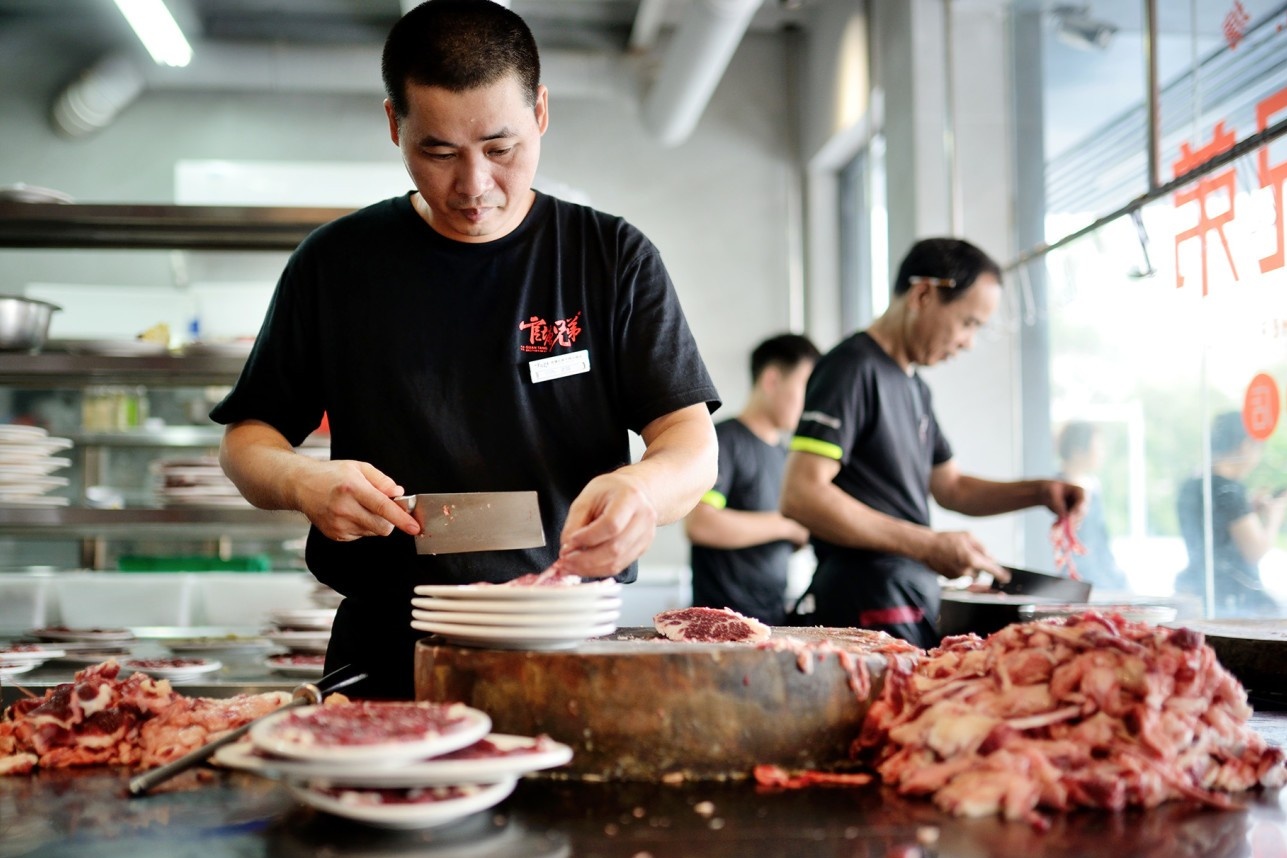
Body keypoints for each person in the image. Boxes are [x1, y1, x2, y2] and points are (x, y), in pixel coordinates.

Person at [210, 0, 720, 699]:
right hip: (389, 644)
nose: (474, 185)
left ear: (540, 112)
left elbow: (691, 443)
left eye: (500, 149)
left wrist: (642, 491)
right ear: (395, 125)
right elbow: (246, 442)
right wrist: (302, 482)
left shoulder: (609, 257)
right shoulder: (337, 264)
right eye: (439, 152)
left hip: (565, 635)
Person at [778, 237, 1084, 649]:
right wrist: (928, 544)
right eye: (968, 323)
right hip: (866, 598)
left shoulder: (915, 388)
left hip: (906, 594)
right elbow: (801, 494)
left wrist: (1041, 492)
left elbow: (952, 487)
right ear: (923, 294)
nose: (969, 342)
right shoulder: (851, 369)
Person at [684, 333, 821, 625]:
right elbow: (700, 524)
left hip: (773, 617)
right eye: (806, 387)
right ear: (772, 380)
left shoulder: (786, 456)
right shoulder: (723, 441)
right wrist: (787, 526)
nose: (811, 401)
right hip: (721, 624)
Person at [1175, 411, 1286, 617]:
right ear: (1246, 445)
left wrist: (1249, 511)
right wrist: (1274, 517)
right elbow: (1254, 551)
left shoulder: (1193, 484)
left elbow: (1217, 531)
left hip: (1200, 590)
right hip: (1234, 600)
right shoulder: (1229, 490)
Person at [1055, 420, 1129, 591]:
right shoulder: (1056, 493)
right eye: (1098, 447)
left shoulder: (1093, 487)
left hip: (1099, 579)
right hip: (1077, 582)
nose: (1102, 453)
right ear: (1078, 451)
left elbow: (1101, 544)